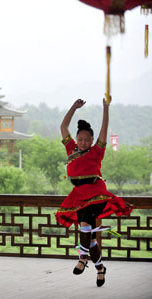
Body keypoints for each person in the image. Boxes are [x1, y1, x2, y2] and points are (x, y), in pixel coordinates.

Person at [56, 98, 133, 287]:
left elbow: (104, 128)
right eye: (80, 139)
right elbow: (63, 125)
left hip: (96, 193)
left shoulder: (97, 150)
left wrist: (105, 108)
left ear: (92, 140)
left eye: (86, 140)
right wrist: (74, 107)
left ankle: (82, 258)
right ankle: (100, 268)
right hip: (78, 196)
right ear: (77, 139)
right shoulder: (71, 149)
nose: (83, 142)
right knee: (89, 237)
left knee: (84, 224)